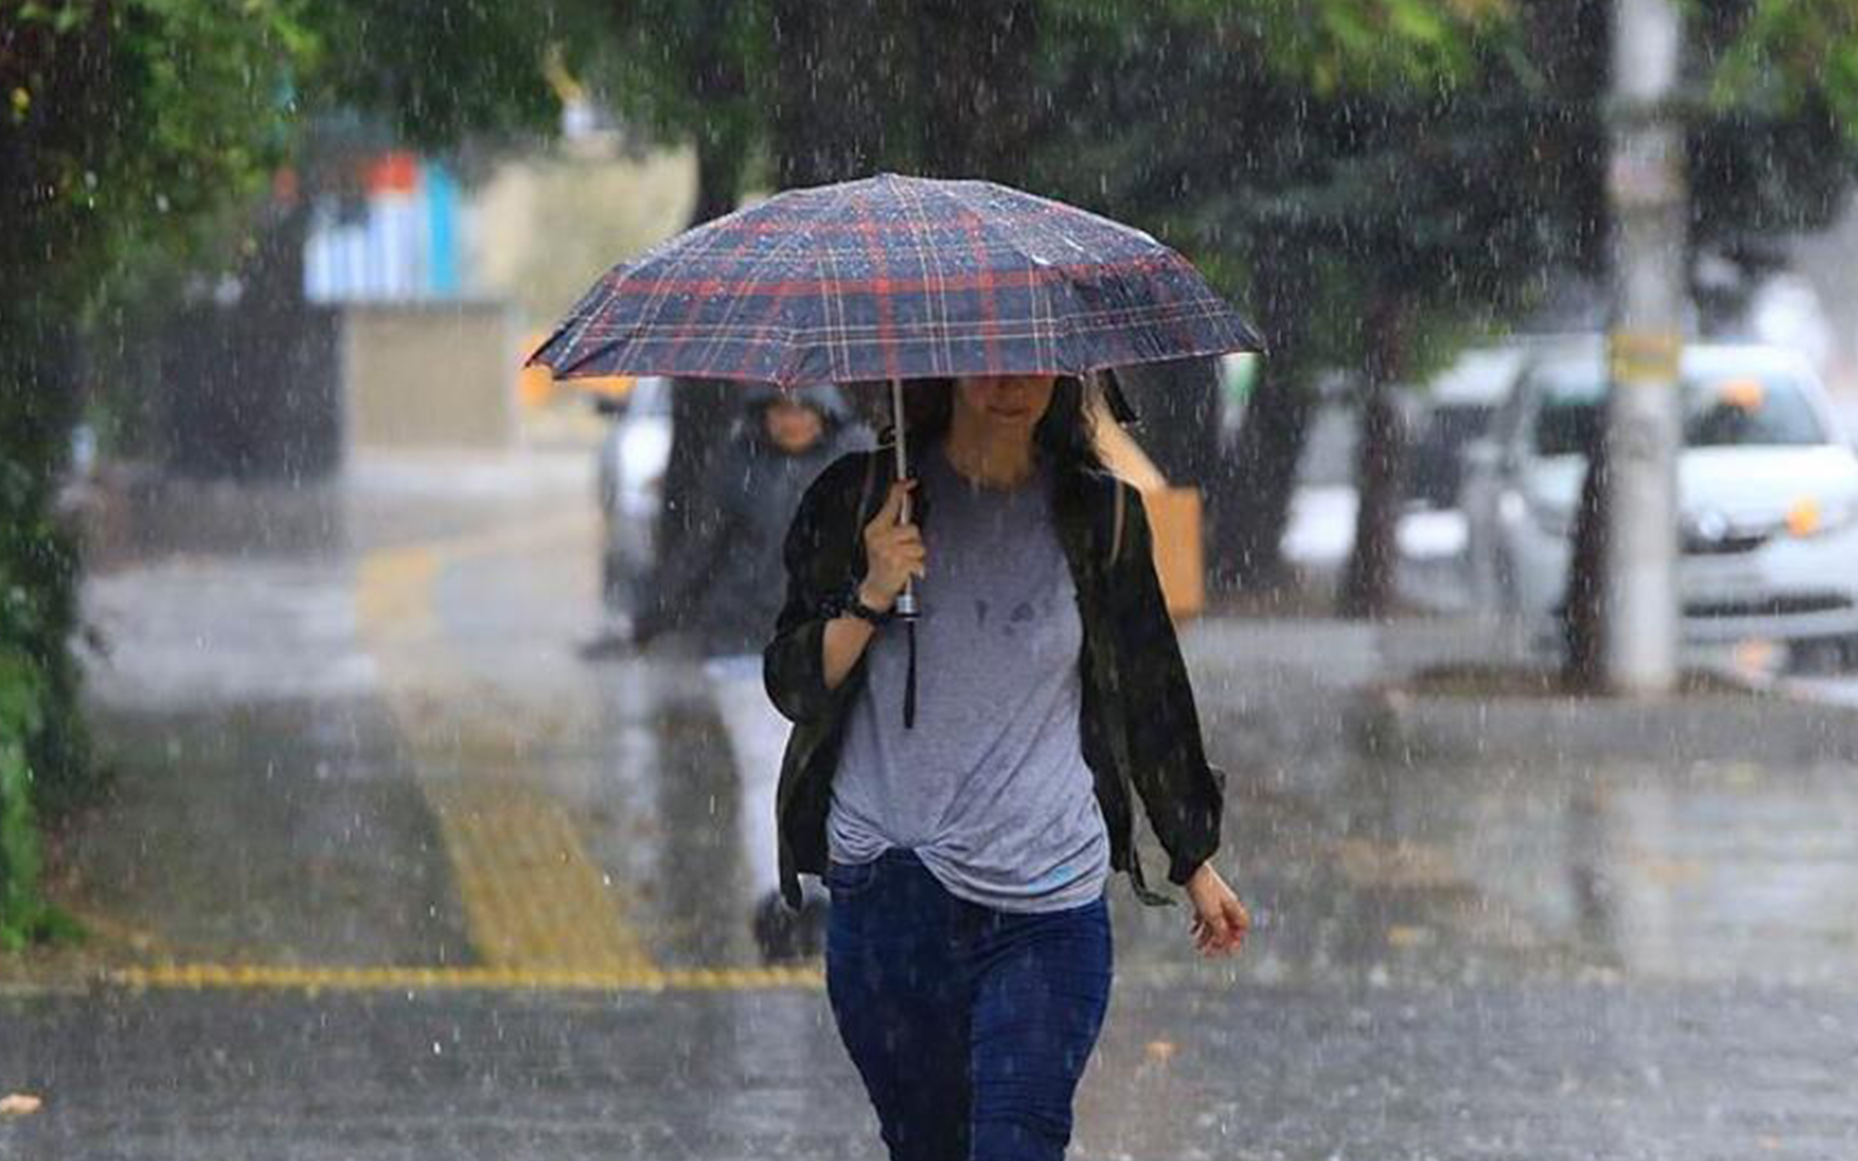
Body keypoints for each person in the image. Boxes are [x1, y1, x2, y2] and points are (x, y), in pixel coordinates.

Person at [764, 374, 1250, 1161]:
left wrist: (1192, 855)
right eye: (985, 355)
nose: (1010, 381)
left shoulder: (1101, 515)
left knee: (1017, 1142)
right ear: (943, 365)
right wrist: (874, 588)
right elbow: (792, 683)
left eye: (1033, 357)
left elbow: (1150, 686)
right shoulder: (858, 500)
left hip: (1045, 900)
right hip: (890, 892)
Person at [638, 384, 868, 962]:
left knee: (828, 775)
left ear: (826, 411)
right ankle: (780, 903)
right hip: (745, 645)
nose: (790, 422)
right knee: (768, 776)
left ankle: (821, 898)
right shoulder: (734, 463)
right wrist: (655, 614)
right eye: (779, 409)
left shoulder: (859, 462)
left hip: (830, 642)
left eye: (801, 409)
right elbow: (701, 548)